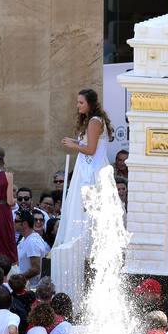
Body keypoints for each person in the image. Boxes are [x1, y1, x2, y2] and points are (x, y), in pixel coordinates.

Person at [58, 89, 113, 244]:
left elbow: (91, 150)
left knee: (86, 206)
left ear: (90, 104)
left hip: (92, 170)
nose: (78, 106)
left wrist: (73, 145)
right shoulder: (94, 120)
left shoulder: (94, 121)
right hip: (87, 167)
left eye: (81, 102)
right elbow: (90, 145)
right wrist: (75, 142)